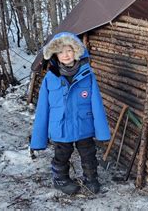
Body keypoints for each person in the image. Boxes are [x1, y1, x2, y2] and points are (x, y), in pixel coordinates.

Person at [30, 32, 111, 195]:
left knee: (88, 154)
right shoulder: (50, 78)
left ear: (76, 52)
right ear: (55, 55)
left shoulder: (87, 75)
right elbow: (43, 109)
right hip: (60, 126)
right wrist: (39, 137)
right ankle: (61, 180)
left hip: (83, 125)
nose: (65, 55)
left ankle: (91, 179)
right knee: (62, 154)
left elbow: (96, 103)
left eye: (69, 50)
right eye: (60, 52)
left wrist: (102, 131)